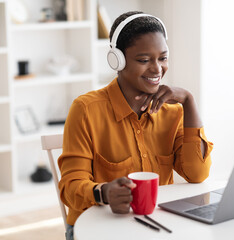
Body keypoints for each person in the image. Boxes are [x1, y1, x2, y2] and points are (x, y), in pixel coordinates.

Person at [58, 11, 213, 239]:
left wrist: (189, 101)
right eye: (144, 60)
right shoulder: (86, 110)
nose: (157, 69)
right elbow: (70, 187)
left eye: (163, 58)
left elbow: (197, 174)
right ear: (117, 60)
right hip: (97, 228)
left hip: (155, 226)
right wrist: (103, 193)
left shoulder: (173, 111)